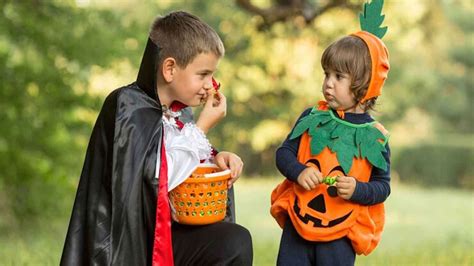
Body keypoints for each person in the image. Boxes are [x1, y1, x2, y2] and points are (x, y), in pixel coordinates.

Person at [61, 11, 252, 266]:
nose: (211, 84)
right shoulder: (126, 106)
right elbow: (155, 179)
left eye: (212, 75)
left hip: (169, 232)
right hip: (132, 242)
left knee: (233, 241)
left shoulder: (180, 111)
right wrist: (202, 128)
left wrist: (216, 158)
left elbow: (183, 172)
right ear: (170, 68)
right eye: (203, 74)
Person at [270, 30, 391, 266]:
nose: (328, 83)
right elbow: (283, 154)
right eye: (326, 74)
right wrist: (299, 171)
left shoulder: (375, 137)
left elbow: (383, 186)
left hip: (340, 232)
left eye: (338, 76)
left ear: (364, 85)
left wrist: (358, 189)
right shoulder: (312, 117)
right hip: (299, 223)